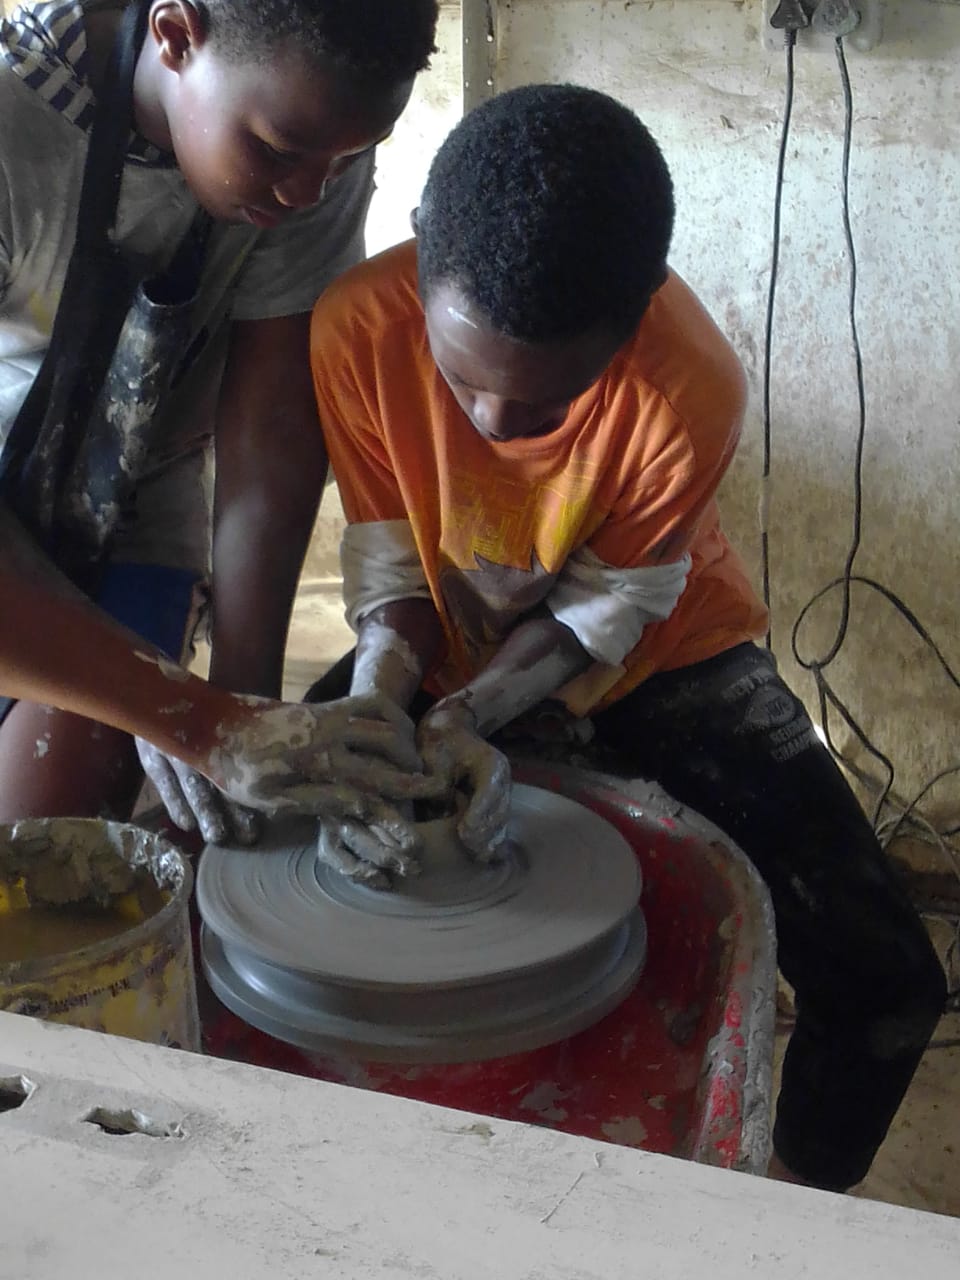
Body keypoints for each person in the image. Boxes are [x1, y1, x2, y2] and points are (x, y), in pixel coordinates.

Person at [303, 84, 948, 1192]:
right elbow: (395, 571)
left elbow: (606, 608)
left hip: (660, 642)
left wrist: (476, 712)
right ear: (418, 258)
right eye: (464, 386)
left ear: (638, 313)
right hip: (433, 638)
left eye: (548, 406)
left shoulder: (687, 380)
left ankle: (778, 1213)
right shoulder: (357, 325)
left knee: (886, 977)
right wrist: (388, 692)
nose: (497, 428)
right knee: (252, 842)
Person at [0, 0, 440, 839]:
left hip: (138, 495)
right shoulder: (13, 123)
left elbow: (271, 423)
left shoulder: (313, 152)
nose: (312, 189)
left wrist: (247, 708)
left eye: (350, 158)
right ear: (174, 36)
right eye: (279, 152)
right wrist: (198, 724)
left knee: (50, 849)